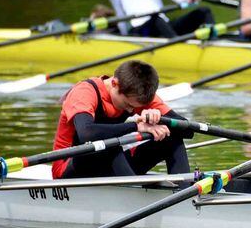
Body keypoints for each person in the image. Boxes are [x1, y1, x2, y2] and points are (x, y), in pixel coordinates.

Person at [51, 60, 191, 178]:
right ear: (114, 84)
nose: (131, 110)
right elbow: (86, 133)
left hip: (110, 164)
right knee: (108, 144)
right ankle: (133, 195)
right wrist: (136, 126)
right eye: (128, 105)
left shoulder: (139, 94)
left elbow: (187, 131)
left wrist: (159, 118)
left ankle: (184, 193)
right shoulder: (85, 93)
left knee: (171, 137)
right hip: (68, 168)